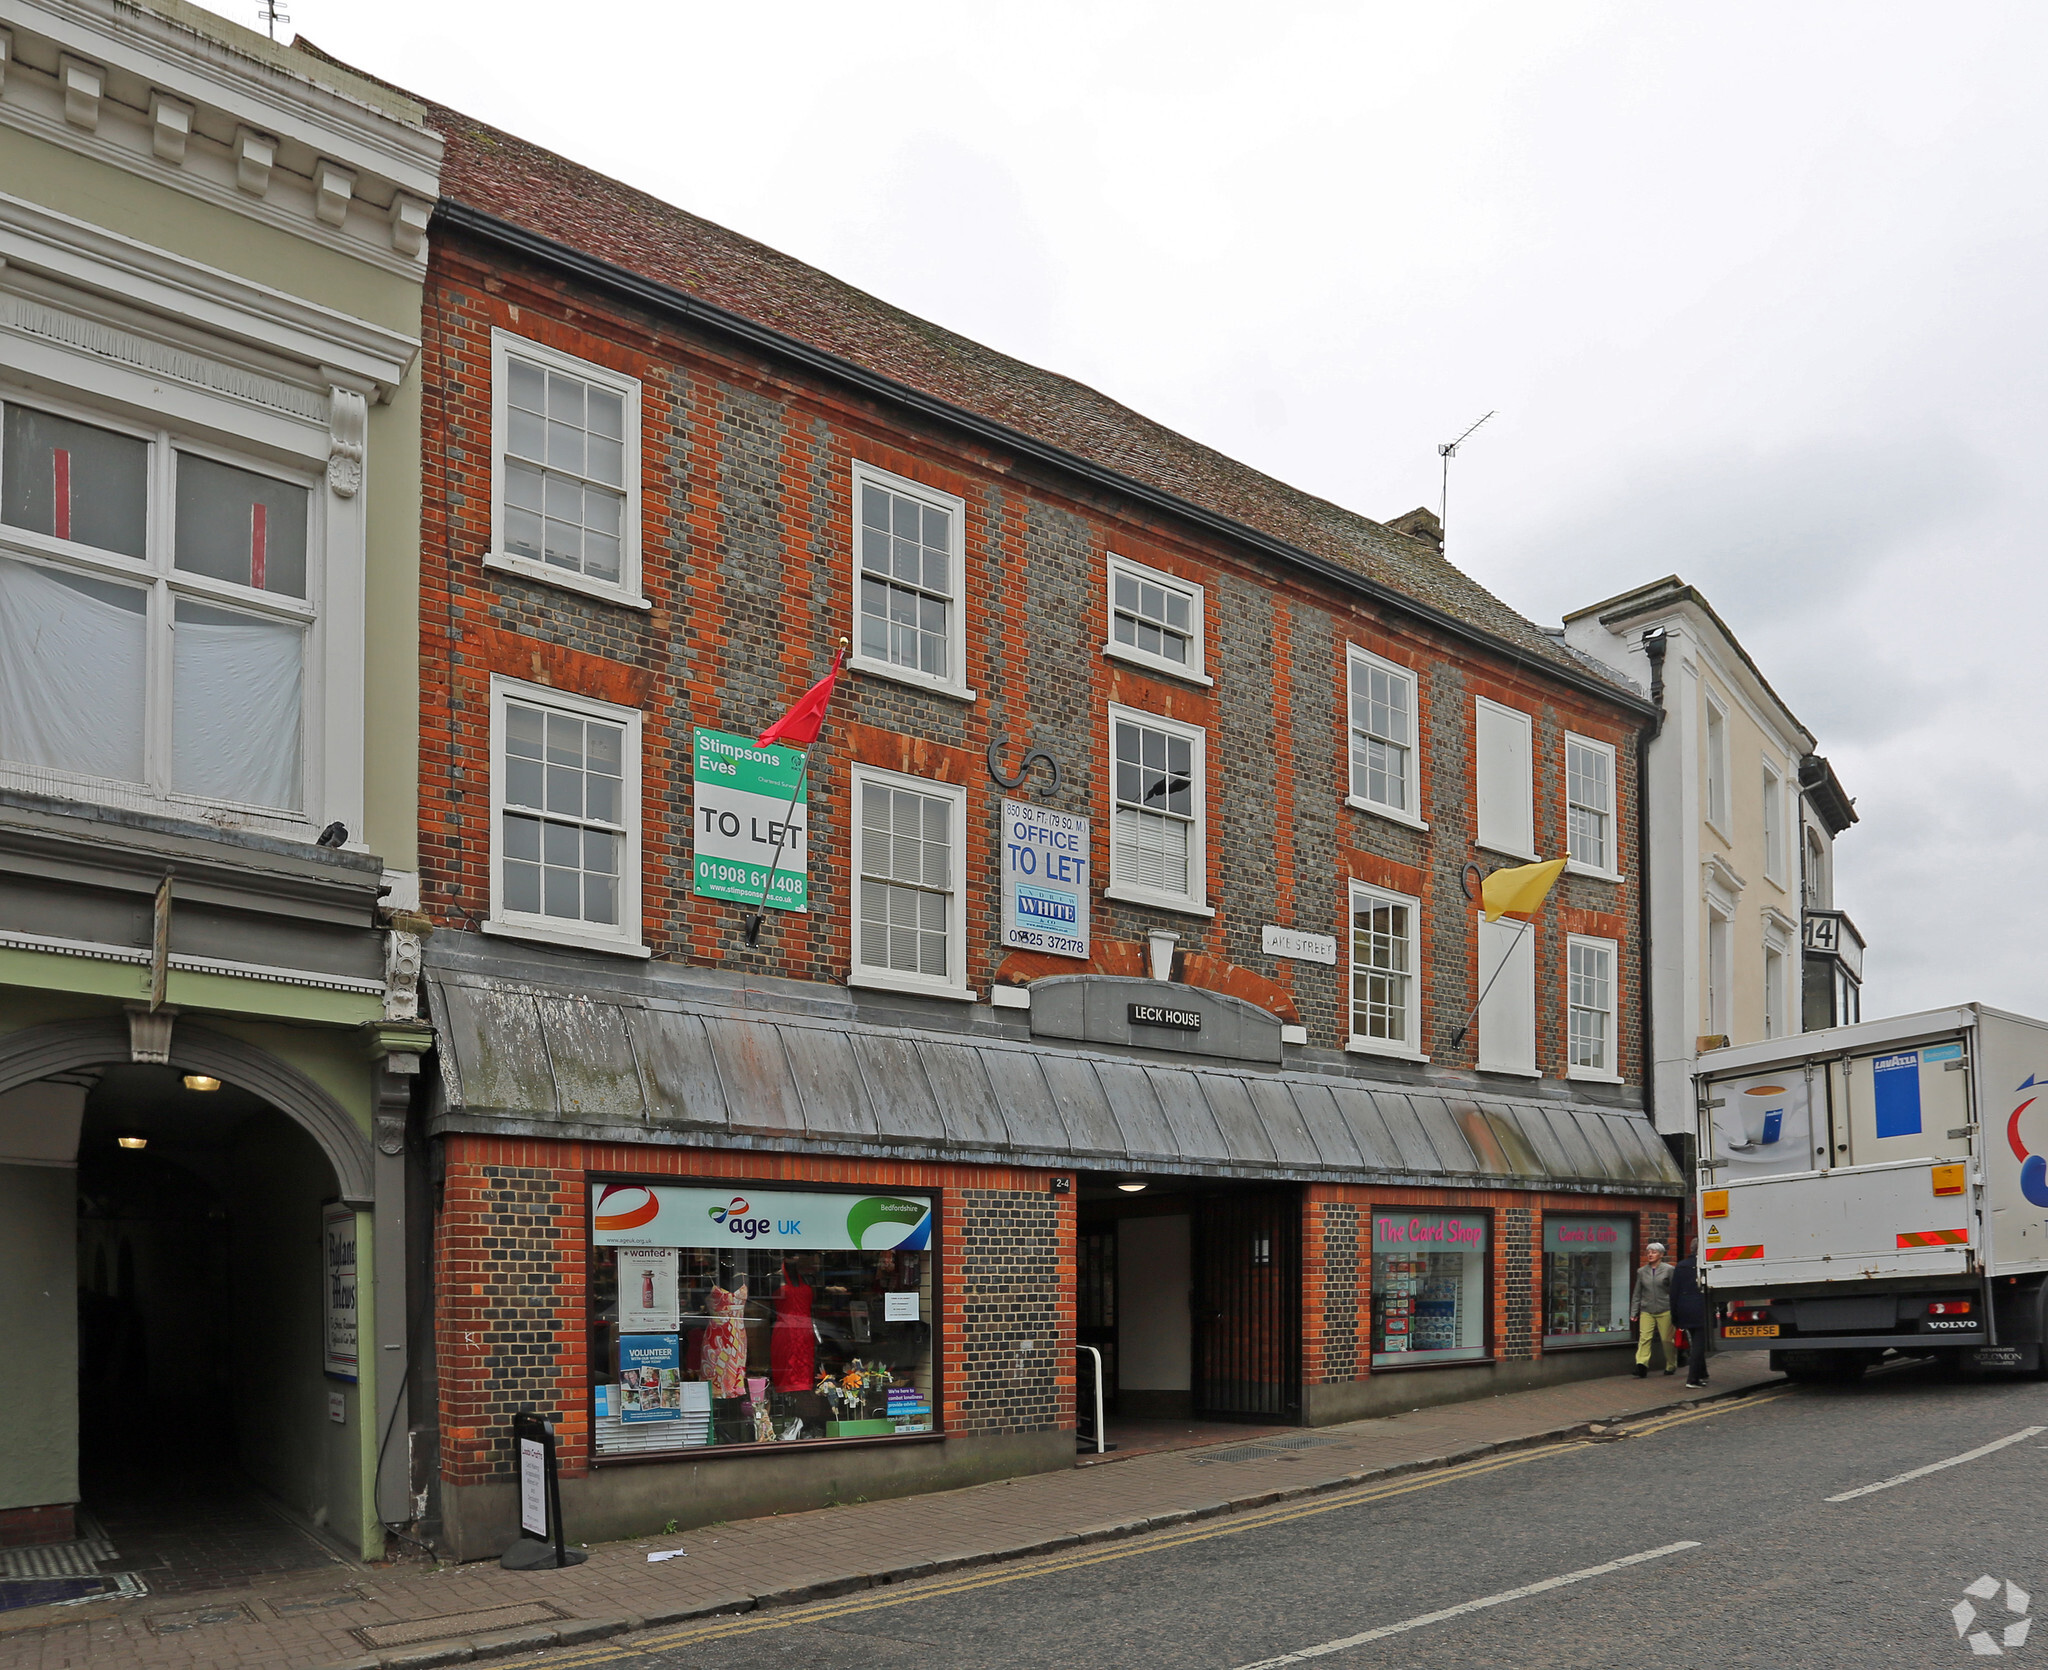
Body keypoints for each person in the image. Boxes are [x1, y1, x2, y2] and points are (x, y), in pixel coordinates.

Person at [1632, 1241, 1677, 1377]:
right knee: (1644, 1338)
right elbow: (1637, 1293)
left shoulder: (1669, 1270)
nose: (1650, 1255)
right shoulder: (1641, 1272)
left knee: (1667, 1340)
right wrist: (1634, 1312)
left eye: (1654, 1252)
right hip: (1647, 1310)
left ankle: (1671, 1365)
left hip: (1665, 1309)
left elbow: (1674, 1291)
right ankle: (1641, 1366)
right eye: (1649, 1252)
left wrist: (1677, 1309)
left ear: (1661, 1254)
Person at [1672, 1240, 1709, 1387]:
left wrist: (1674, 1315)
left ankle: (1702, 1373)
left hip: (1684, 1309)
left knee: (1696, 1341)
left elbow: (1674, 1293)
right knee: (1699, 1345)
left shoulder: (1681, 1266)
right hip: (1701, 1308)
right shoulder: (1705, 1265)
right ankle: (1692, 1379)